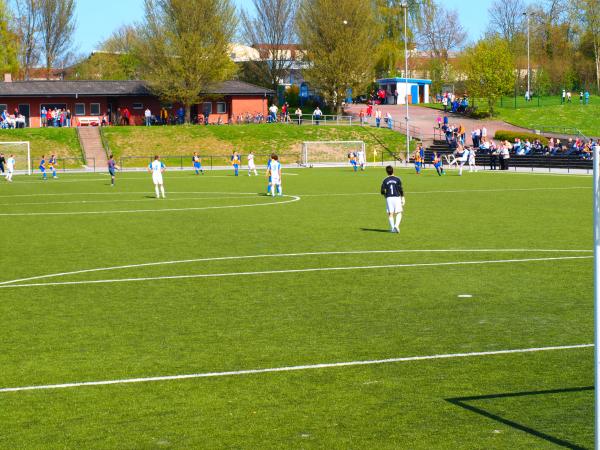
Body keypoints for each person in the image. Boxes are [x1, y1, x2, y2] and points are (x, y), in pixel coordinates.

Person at [380, 165, 405, 233]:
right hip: (397, 197)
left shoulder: (385, 180)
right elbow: (400, 189)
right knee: (399, 212)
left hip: (389, 198)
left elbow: (382, 191)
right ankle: (396, 226)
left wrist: (385, 195)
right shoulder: (398, 179)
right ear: (393, 170)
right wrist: (403, 197)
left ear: (386, 172)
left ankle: (392, 228)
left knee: (390, 213)